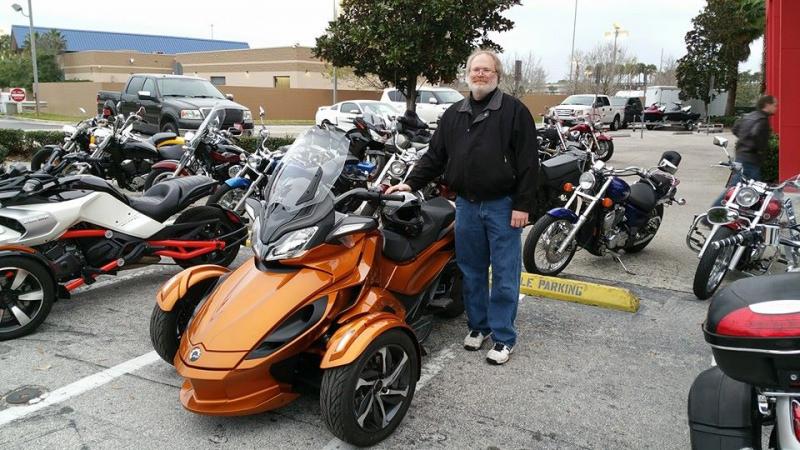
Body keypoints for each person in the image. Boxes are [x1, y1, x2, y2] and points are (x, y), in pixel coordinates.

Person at [386, 49, 539, 365]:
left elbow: (528, 164)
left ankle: (503, 337)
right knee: (471, 272)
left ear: (497, 74)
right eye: (475, 69)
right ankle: (478, 327)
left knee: (506, 275)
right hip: (466, 206)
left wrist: (523, 205)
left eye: (486, 70)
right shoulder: (455, 113)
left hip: (503, 206)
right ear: (467, 74)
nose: (480, 74)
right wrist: (410, 184)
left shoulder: (514, 112)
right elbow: (434, 156)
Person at [712, 95, 778, 206]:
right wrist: (757, 149)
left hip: (742, 155)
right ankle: (714, 213)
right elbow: (756, 136)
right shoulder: (762, 120)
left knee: (742, 189)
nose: (777, 107)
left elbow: (735, 129)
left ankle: (736, 215)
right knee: (744, 189)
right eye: (775, 105)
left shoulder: (750, 116)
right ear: (767, 105)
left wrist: (743, 141)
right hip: (751, 159)